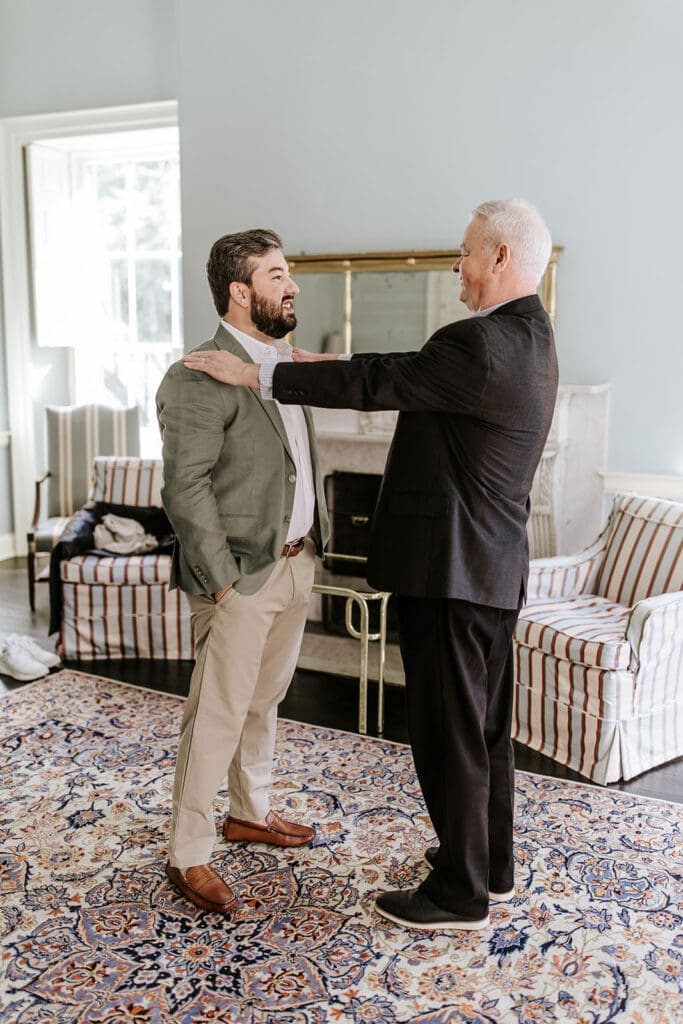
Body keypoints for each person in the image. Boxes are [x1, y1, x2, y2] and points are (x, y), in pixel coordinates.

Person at [183, 199, 558, 931]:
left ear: (500, 259)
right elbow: (398, 372)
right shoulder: (528, 338)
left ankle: (458, 893)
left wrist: (258, 375)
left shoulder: (478, 343)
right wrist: (295, 360)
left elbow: (381, 384)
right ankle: (490, 864)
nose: (458, 265)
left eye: (466, 252)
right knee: (483, 730)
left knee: (448, 732)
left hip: (450, 573)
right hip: (490, 568)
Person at [157, 229, 329, 914]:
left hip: (294, 565)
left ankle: (250, 813)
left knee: (263, 702)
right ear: (239, 290)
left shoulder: (286, 363)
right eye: (277, 275)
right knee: (217, 715)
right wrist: (223, 581)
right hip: (239, 578)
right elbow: (185, 486)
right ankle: (189, 851)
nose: (291, 287)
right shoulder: (196, 373)